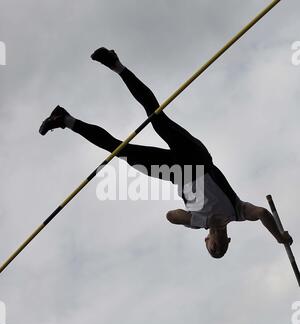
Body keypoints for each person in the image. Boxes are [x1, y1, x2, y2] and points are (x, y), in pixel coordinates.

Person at [39, 47, 293, 259]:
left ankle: (65, 119)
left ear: (205, 240)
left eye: (211, 247)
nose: (216, 244)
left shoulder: (199, 222)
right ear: (226, 242)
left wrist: (196, 221)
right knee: (156, 117)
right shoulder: (237, 213)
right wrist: (279, 237)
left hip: (174, 172)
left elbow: (171, 216)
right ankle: (116, 64)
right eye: (220, 247)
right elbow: (261, 213)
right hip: (197, 159)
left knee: (119, 150)